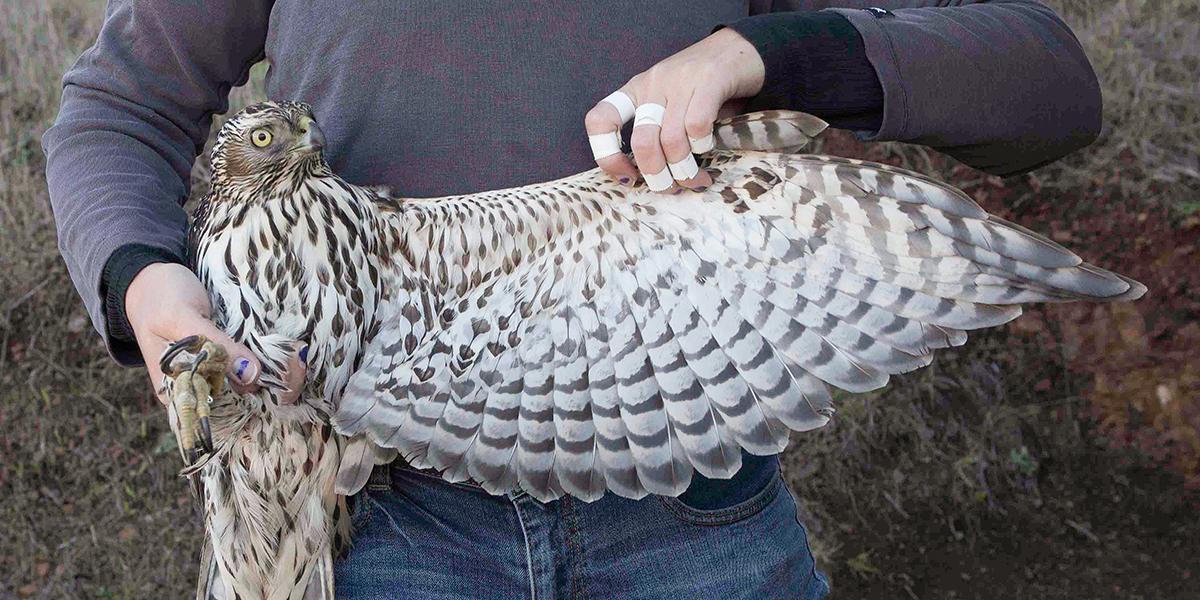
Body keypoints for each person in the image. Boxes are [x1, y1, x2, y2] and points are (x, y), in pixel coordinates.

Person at [44, 2, 1101, 597]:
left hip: (693, 524)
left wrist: (764, 54)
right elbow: (118, 106)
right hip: (368, 518)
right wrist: (143, 282)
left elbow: (1048, 84)